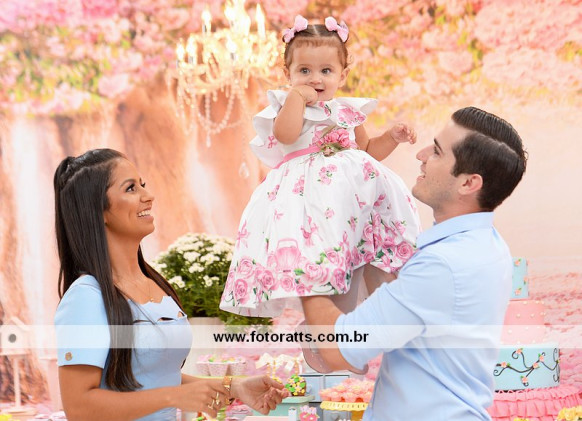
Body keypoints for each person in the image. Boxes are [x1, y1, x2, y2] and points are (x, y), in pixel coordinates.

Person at [300, 107, 528, 420]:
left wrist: (303, 258)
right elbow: (408, 313)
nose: (421, 155)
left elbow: (338, 349)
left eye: (436, 151)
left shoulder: (443, 266)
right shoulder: (486, 245)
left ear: (468, 183)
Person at [53, 148, 288, 421]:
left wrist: (234, 387)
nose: (148, 196)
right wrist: (172, 397)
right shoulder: (86, 298)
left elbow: (157, 377)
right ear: (98, 210)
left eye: (142, 184)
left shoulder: (155, 286)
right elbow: (79, 407)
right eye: (130, 188)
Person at [219, 15, 421, 318]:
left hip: (350, 202)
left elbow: (366, 150)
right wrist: (296, 99)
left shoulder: (347, 110)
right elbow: (285, 135)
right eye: (304, 71)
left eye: (326, 71)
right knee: (322, 261)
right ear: (288, 74)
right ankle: (324, 322)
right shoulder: (287, 106)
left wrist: (391, 138)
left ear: (342, 75)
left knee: (360, 257)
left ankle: (367, 315)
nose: (315, 79)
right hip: (309, 202)